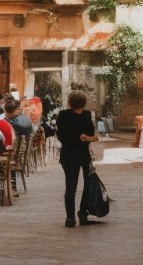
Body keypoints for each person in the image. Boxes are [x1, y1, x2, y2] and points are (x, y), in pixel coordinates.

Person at [56, 91, 99, 227]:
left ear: (69, 102)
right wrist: (84, 139)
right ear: (84, 102)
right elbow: (91, 134)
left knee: (70, 186)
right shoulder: (87, 115)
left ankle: (70, 218)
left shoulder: (63, 115)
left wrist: (79, 139)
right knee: (87, 184)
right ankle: (83, 213)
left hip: (68, 155)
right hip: (83, 154)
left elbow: (61, 136)